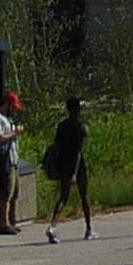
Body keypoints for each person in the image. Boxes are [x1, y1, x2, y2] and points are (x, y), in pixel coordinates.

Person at [42, 95, 92, 241]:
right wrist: (75, 173)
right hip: (76, 164)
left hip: (63, 162)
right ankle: (89, 229)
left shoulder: (62, 125)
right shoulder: (81, 127)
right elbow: (78, 152)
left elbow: (56, 145)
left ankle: (53, 225)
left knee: (63, 196)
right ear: (78, 109)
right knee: (84, 195)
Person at [0, 90, 24, 233]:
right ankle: (3, 223)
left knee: (14, 191)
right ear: (7, 104)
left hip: (13, 159)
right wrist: (14, 134)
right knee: (5, 192)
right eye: (13, 107)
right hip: (4, 159)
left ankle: (12, 220)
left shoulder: (8, 119)